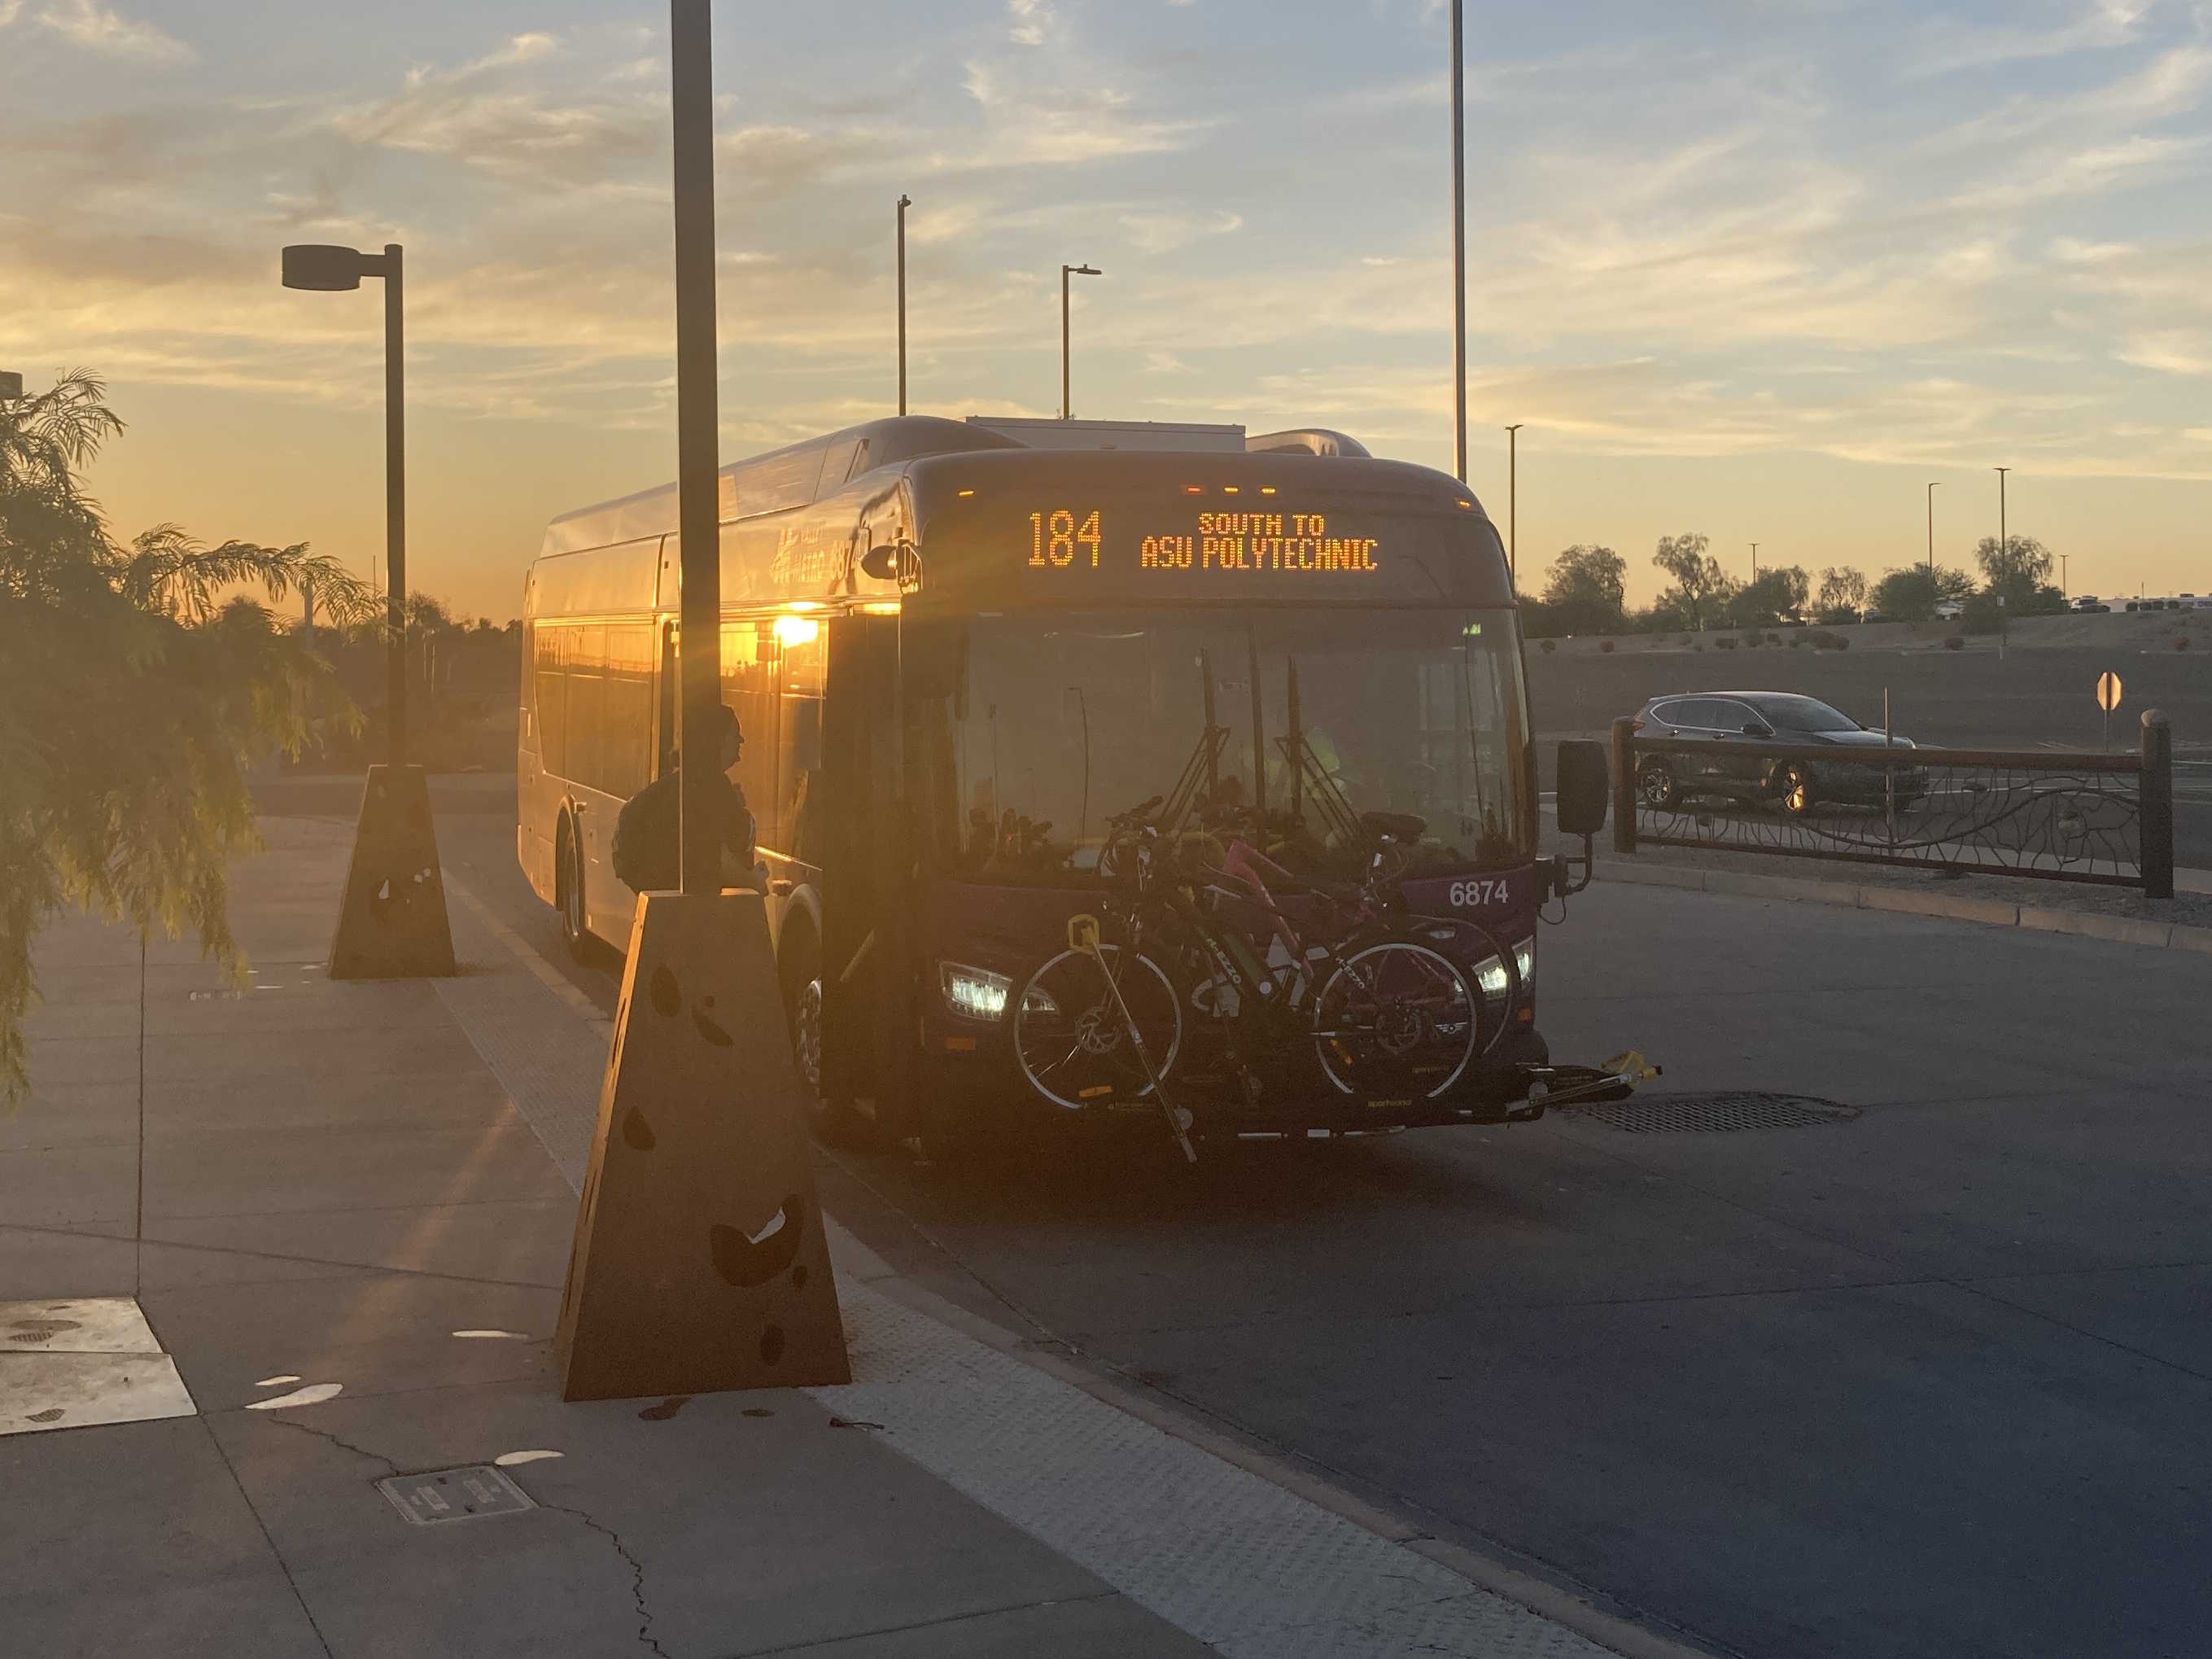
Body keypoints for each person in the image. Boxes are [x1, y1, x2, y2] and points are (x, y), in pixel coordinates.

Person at [613, 704, 758, 893]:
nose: (741, 740)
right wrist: (753, 881)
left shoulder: (688, 781)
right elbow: (716, 854)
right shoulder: (710, 788)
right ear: (717, 740)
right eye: (734, 734)